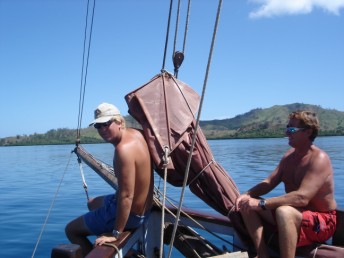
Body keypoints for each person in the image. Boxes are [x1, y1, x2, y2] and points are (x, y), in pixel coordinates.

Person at [235, 110, 337, 258]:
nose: (287, 133)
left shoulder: (319, 159)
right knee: (246, 205)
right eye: (287, 128)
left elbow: (302, 198)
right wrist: (247, 195)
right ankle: (262, 255)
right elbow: (269, 183)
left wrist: (260, 203)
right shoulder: (289, 156)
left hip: (321, 223)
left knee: (284, 211)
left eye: (292, 129)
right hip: (296, 214)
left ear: (308, 132)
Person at [65, 102, 154, 257]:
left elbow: (127, 196)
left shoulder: (122, 150)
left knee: (71, 230)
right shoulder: (136, 134)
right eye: (98, 126)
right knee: (91, 203)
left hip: (132, 215)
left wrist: (116, 234)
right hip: (145, 208)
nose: (102, 130)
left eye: (106, 124)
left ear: (119, 121)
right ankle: (127, 251)